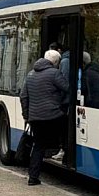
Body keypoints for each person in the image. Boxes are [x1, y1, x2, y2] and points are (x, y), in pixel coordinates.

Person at [21, 50, 69, 185]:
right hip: (53, 115)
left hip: (35, 118)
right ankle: (64, 153)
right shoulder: (54, 73)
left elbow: (23, 96)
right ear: (55, 62)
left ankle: (33, 177)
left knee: (38, 146)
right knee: (66, 129)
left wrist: (27, 116)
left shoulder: (30, 74)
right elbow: (67, 88)